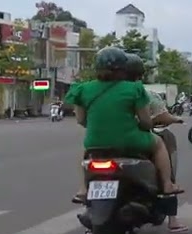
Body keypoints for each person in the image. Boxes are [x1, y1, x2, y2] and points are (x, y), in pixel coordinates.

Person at [66, 46, 183, 210]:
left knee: (85, 153)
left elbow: (81, 120)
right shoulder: (134, 89)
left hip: (96, 142)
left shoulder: (82, 89)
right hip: (130, 141)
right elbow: (146, 122)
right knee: (159, 144)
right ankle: (167, 184)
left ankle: (83, 189)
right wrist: (142, 125)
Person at [121, 53, 189, 234]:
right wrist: (175, 119)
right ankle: (172, 217)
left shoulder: (106, 93)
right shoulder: (143, 93)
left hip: (106, 142)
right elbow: (154, 119)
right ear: (140, 74)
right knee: (164, 148)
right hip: (137, 140)